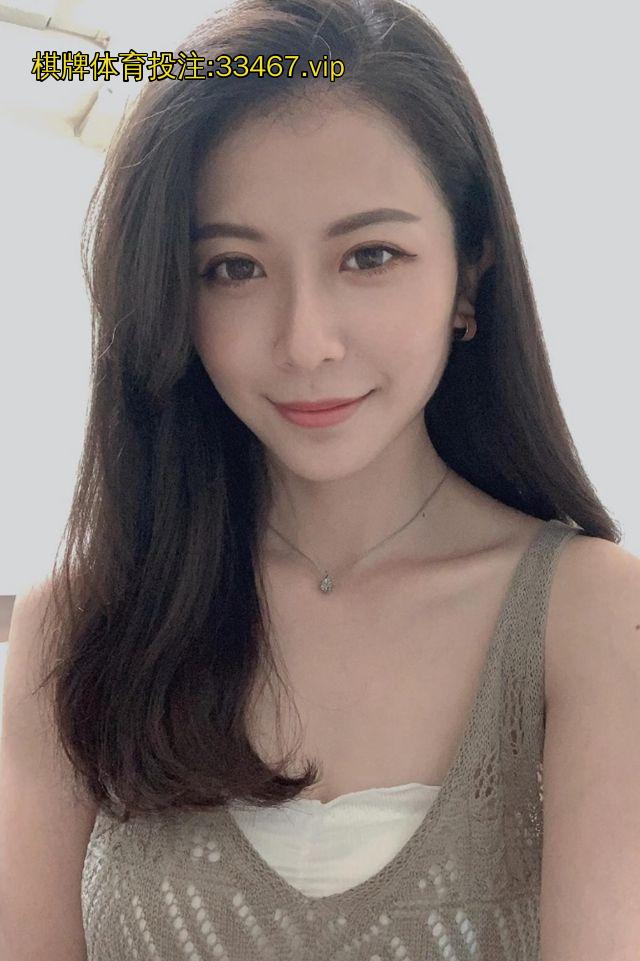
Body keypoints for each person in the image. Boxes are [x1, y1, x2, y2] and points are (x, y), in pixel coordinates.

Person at [2, 1, 639, 959]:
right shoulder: (81, 625)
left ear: (469, 276)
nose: (306, 342)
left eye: (370, 256)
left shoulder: (592, 619)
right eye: (233, 268)